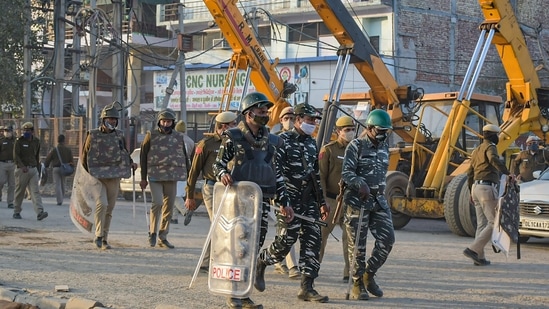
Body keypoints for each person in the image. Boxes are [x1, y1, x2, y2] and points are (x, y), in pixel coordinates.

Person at [213, 92, 293, 309]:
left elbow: (277, 175)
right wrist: (223, 175)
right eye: (260, 111)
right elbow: (218, 165)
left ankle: (244, 293)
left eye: (266, 111)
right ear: (248, 114)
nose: (265, 114)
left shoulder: (273, 141)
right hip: (238, 202)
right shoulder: (233, 136)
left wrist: (285, 202)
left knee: (254, 247)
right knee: (239, 247)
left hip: (262, 201)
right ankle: (233, 292)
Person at [255, 102, 329, 303]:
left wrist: (321, 201)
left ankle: (307, 287)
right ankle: (263, 261)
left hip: (309, 200)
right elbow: (275, 172)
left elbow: (315, 174)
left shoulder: (312, 143)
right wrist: (282, 201)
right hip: (288, 200)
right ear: (297, 120)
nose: (313, 123)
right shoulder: (282, 141)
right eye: (309, 119)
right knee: (285, 241)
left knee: (313, 242)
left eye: (314, 120)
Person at [340, 109, 395, 300]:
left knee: (387, 240)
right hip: (358, 201)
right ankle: (357, 284)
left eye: (386, 131)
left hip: (379, 201)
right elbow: (346, 173)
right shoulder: (356, 146)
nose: (383, 134)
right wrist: (360, 183)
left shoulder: (384, 146)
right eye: (380, 130)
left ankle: (368, 275)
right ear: (370, 128)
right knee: (358, 246)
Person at [185, 111, 237, 272]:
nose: (235, 127)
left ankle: (213, 260)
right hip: (212, 188)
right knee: (218, 224)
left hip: (230, 189)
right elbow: (194, 171)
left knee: (225, 225)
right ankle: (207, 262)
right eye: (232, 124)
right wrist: (190, 196)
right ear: (223, 126)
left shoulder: (236, 143)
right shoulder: (205, 144)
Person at [82, 102, 135, 249]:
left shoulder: (119, 136)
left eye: (114, 119)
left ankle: (104, 238)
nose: (112, 122)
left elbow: (124, 152)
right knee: (102, 204)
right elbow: (84, 156)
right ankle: (98, 235)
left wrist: (130, 163)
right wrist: (86, 176)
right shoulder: (92, 135)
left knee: (109, 209)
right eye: (109, 119)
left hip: (114, 176)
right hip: (97, 177)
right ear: (103, 119)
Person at [140, 109, 190, 249]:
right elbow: (143, 157)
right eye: (163, 121)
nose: (166, 124)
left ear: (172, 123)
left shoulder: (178, 137)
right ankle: (152, 233)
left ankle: (163, 235)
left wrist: (188, 175)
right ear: (159, 122)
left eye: (168, 121)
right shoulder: (151, 135)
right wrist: (143, 178)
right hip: (155, 175)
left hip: (172, 176)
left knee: (169, 206)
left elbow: (185, 157)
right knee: (157, 203)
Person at [465, 124, 513, 266]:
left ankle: (479, 257)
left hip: (475, 188)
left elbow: (469, 172)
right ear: (493, 135)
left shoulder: (477, 150)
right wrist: (508, 173)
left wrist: (470, 191)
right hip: (486, 188)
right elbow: (493, 159)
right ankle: (473, 249)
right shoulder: (491, 147)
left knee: (482, 224)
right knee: (493, 223)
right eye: (497, 135)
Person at [318, 115, 354, 282]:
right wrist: (322, 201)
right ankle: (314, 268)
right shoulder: (329, 150)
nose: (350, 133)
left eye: (352, 129)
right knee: (321, 235)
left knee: (351, 238)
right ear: (338, 132)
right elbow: (321, 177)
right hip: (332, 200)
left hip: (349, 201)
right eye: (347, 130)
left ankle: (350, 273)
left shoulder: (356, 149)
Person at [272, 105, 300, 279]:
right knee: (286, 228)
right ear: (281, 121)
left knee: (283, 229)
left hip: (297, 192)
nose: (289, 120)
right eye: (286, 118)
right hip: (281, 190)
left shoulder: (301, 139)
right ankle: (293, 266)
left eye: (292, 117)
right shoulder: (277, 140)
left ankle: (276, 260)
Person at [12, 122, 48, 221]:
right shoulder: (19, 141)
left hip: (33, 169)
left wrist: (38, 167)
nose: (26, 132)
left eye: (28, 130)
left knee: (35, 191)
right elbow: (16, 156)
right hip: (22, 170)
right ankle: (16, 211)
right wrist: (22, 166)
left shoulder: (36, 141)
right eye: (24, 130)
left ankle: (39, 212)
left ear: (32, 131)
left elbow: (36, 155)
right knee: (20, 191)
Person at [171, 120, 195, 225]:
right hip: (185, 169)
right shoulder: (190, 141)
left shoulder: (173, 139)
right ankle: (173, 217)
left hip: (174, 169)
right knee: (176, 193)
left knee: (172, 193)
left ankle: (185, 211)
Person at [44, 134, 74, 206]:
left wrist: (46, 165)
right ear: (64, 140)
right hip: (64, 168)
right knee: (63, 183)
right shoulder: (68, 150)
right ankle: (62, 197)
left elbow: (48, 158)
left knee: (57, 184)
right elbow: (71, 160)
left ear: (58, 141)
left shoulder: (54, 150)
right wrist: (71, 167)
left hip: (56, 168)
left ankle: (59, 200)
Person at [0, 125, 16, 209]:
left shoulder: (16, 141)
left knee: (12, 184)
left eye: (8, 131)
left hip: (13, 164)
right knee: (1, 181)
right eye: (5, 131)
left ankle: (10, 202)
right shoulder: (1, 141)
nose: (7, 133)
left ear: (12, 131)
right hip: (2, 164)